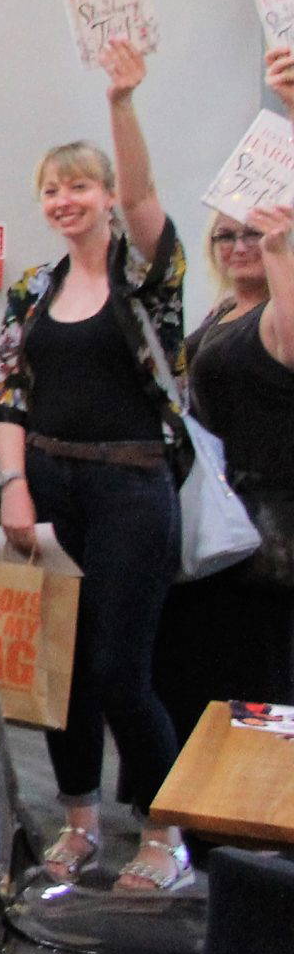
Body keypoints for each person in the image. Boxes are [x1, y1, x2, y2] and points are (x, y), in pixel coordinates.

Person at [0, 41, 193, 891]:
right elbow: (6, 391)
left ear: (105, 195)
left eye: (80, 184)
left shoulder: (148, 277)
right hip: (49, 483)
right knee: (59, 671)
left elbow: (147, 196)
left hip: (132, 486)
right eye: (52, 188)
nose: (65, 199)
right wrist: (15, 488)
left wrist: (122, 98)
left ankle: (162, 831)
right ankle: (78, 824)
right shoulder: (32, 287)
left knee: (119, 668)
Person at [153, 190, 294, 729]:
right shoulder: (219, 311)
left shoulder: (277, 313)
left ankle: (247, 810)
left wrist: (280, 250)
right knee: (196, 680)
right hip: (209, 526)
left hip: (262, 533)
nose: (239, 246)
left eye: (252, 233)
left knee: (255, 693)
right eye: (225, 235)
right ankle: (191, 807)